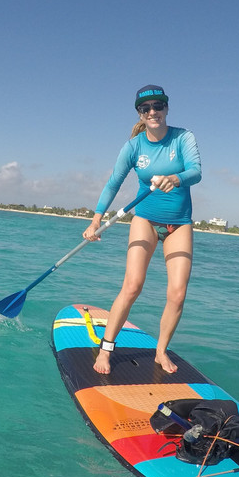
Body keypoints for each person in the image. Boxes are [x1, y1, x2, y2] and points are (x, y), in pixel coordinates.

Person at [83, 85, 202, 375]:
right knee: (133, 285)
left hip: (179, 224)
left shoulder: (183, 137)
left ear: (166, 108)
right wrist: (96, 219)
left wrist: (176, 178)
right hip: (145, 221)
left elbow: (196, 172)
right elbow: (113, 183)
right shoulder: (133, 147)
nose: (152, 112)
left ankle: (161, 352)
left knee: (177, 294)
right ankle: (106, 348)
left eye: (157, 106)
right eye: (145, 108)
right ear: (140, 112)